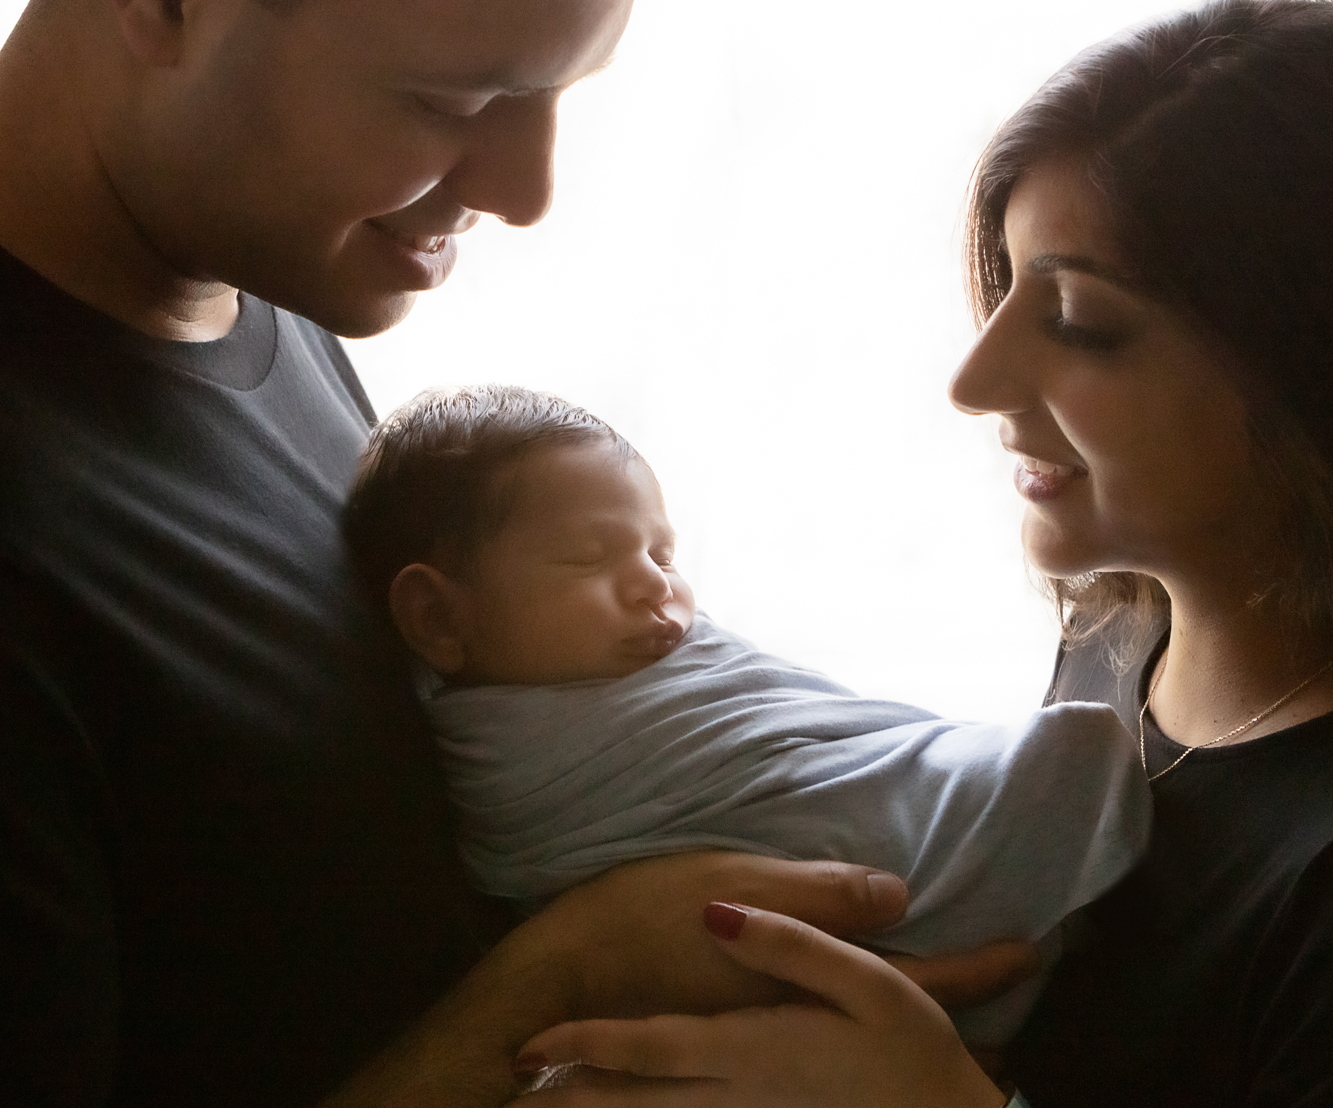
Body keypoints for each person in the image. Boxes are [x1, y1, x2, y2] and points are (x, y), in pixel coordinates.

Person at [0, 0, 1034, 1104]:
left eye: (562, 92)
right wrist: (561, 980)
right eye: (457, 100)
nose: (529, 189)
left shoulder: (257, 296)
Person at [513, 0, 1333, 1106]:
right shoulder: (1122, 650)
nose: (977, 378)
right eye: (1002, 298)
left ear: (1331, 377)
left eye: (1080, 322)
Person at [340, 383, 1150, 1045]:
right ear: (441, 621)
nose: (657, 585)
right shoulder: (505, 757)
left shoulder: (671, 657)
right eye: (589, 558)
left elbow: (806, 729)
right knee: (1069, 764)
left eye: (662, 553)